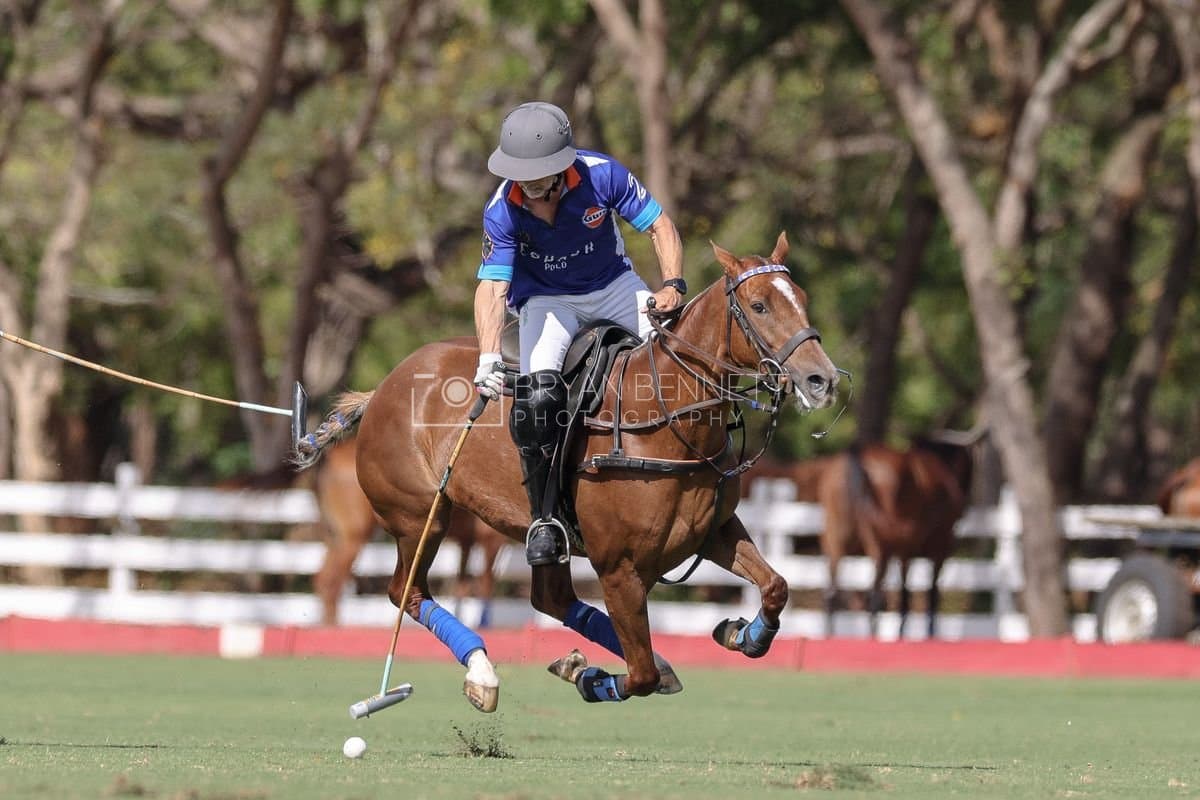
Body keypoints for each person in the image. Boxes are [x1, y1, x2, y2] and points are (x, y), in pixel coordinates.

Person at [472, 101, 686, 567]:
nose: (527, 185)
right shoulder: (501, 209)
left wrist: (672, 283)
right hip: (547, 301)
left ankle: (698, 472)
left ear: (561, 164)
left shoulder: (602, 175)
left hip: (614, 286)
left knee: (677, 360)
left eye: (537, 175)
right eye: (519, 175)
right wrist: (488, 357)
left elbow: (659, 225)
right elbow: (492, 287)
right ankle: (545, 518)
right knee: (537, 398)